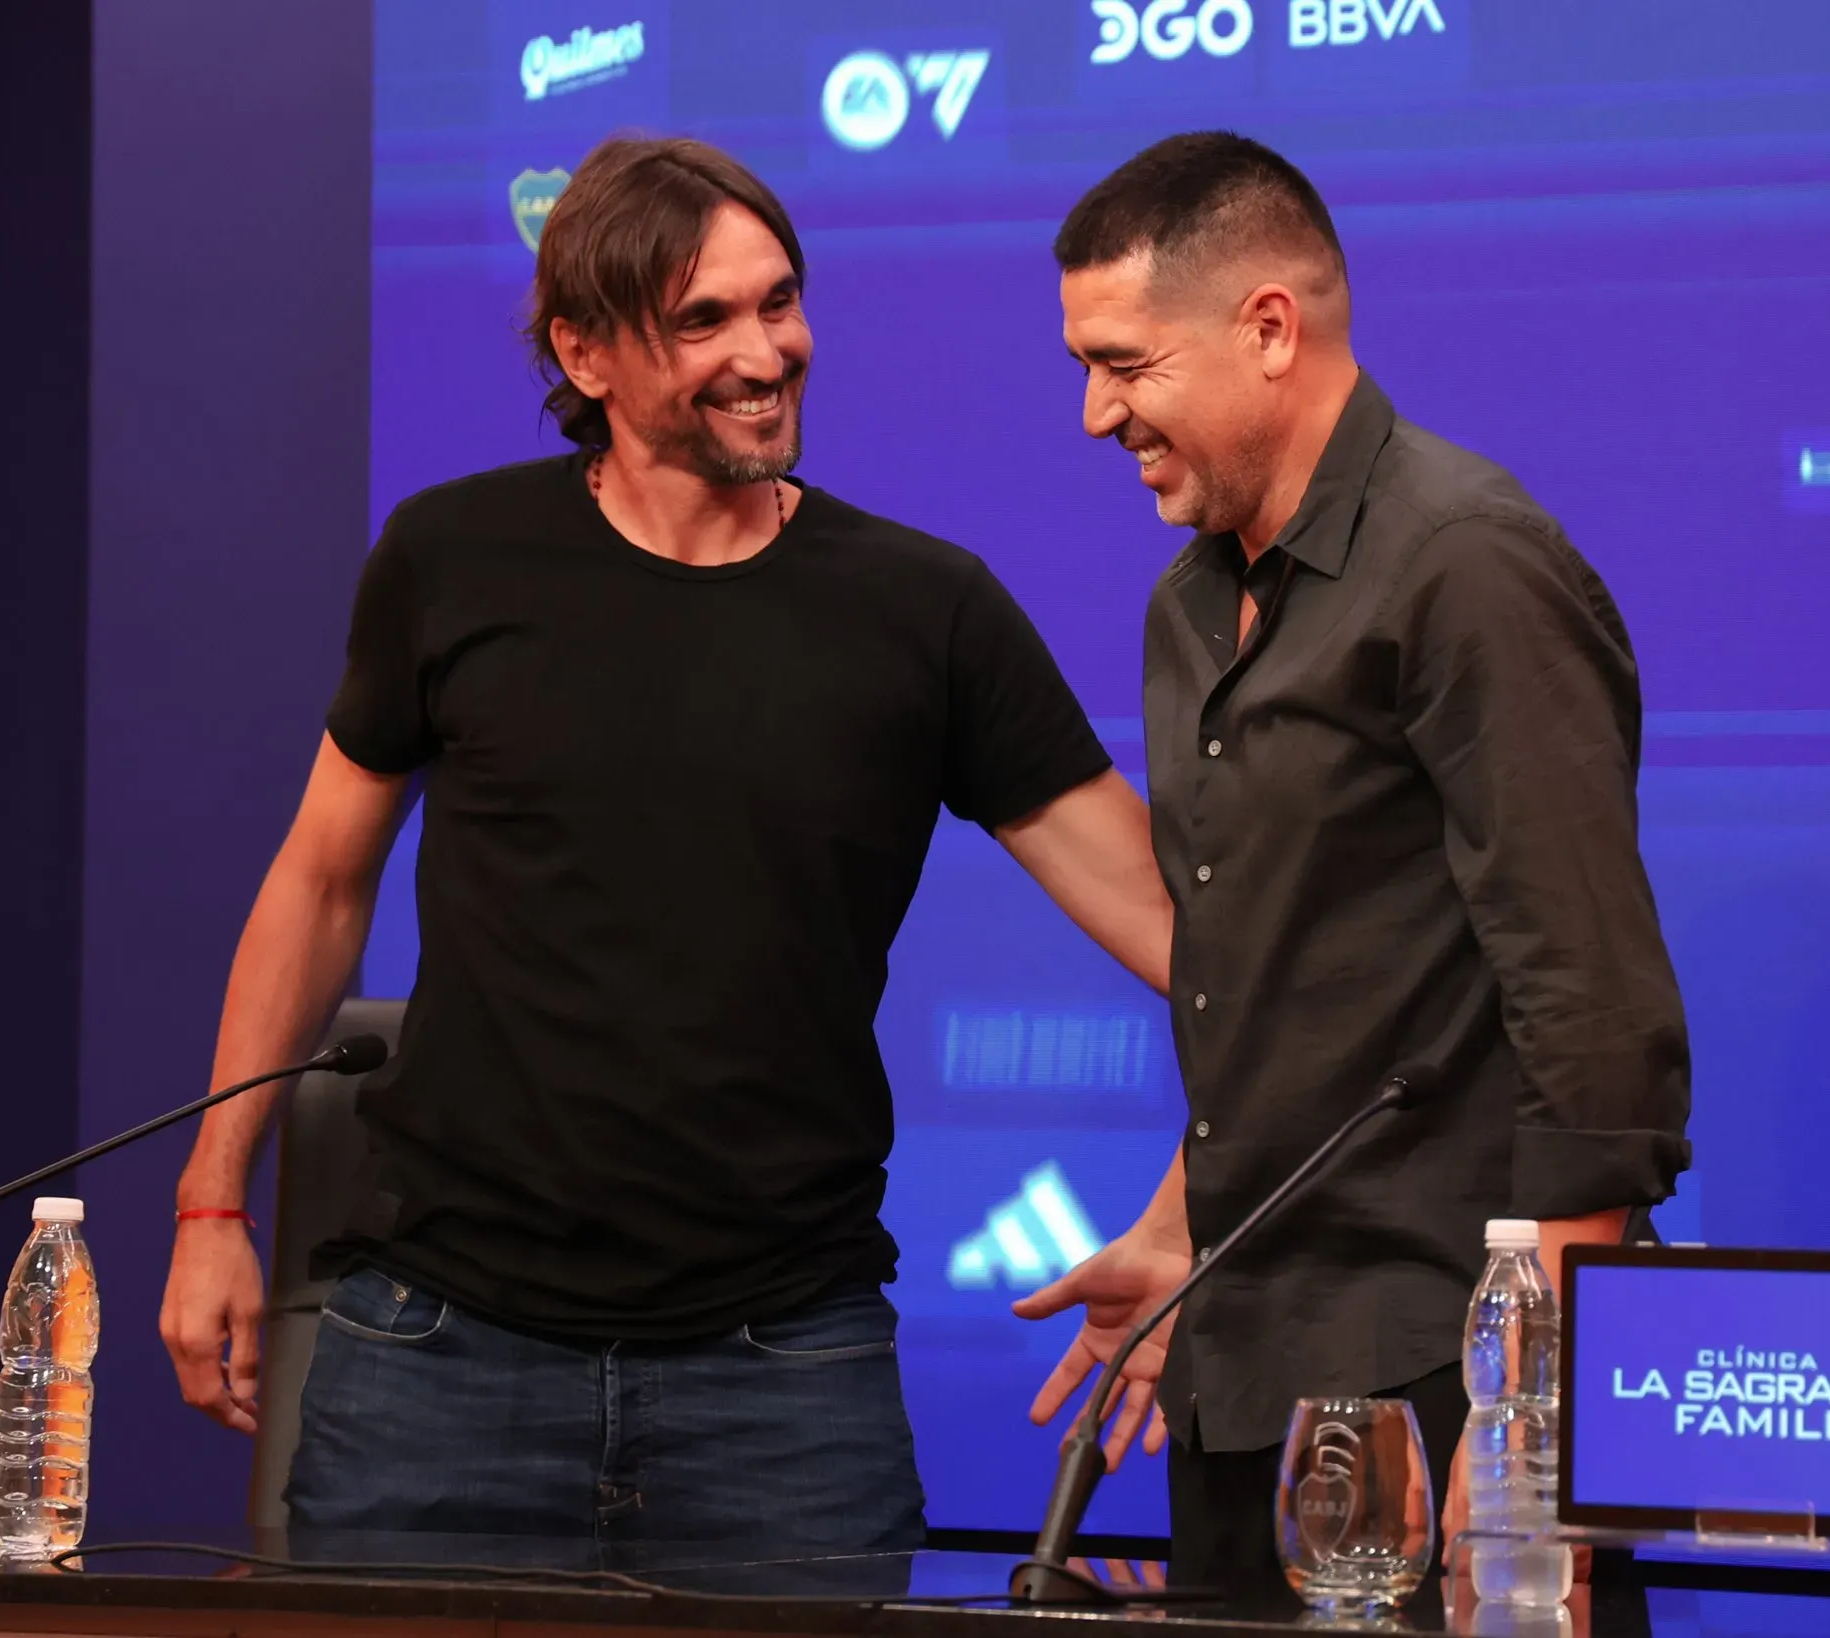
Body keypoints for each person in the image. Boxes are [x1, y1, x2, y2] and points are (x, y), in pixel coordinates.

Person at [157, 135, 1172, 1550]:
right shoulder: (449, 561)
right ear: (584, 355)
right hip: (439, 1359)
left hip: (785, 1384)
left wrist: (1195, 1192)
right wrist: (214, 1200)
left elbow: (1193, 938)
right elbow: (320, 880)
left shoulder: (925, 612)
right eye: (704, 320)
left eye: (779, 302)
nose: (768, 351)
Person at [1016, 131, 1691, 1589]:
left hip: (1438, 1370)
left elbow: (1593, 1012)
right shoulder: (1191, 605)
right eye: (1084, 364)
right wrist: (1186, 1220)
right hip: (1239, 1363)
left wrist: (1526, 1422)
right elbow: (1308, 986)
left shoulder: (1466, 565)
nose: (1092, 412)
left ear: (1269, 328)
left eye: (1125, 362)